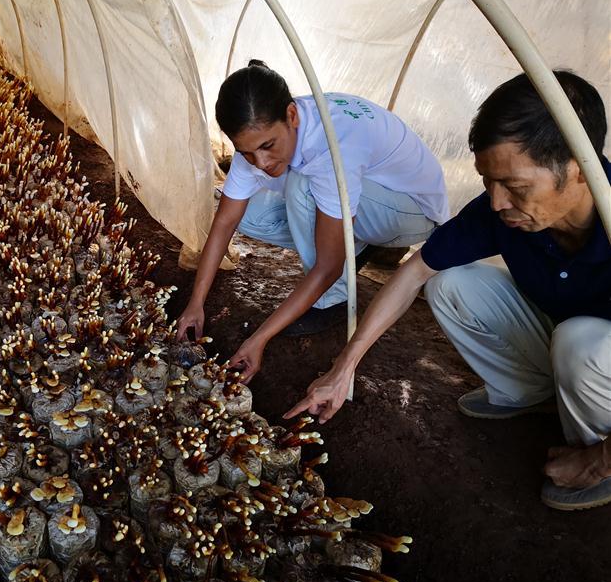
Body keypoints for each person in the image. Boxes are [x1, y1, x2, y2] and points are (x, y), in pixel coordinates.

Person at [285, 71, 611, 511]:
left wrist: (601, 459)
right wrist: (345, 367)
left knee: (582, 345)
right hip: (570, 344)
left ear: (578, 169)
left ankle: (594, 451)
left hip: (592, 356)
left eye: (515, 188)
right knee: (450, 282)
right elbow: (415, 271)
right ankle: (529, 393)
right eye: (486, 182)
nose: (497, 203)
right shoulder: (503, 212)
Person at [176, 61, 449, 382]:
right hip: (367, 199)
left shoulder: (331, 146)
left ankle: (334, 297)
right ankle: (356, 241)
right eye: (247, 153)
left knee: (302, 187)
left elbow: (328, 264)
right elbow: (225, 223)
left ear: (291, 116)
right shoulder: (260, 135)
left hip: (412, 210)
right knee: (245, 211)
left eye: (267, 146)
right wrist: (196, 303)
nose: (260, 163)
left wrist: (259, 338)